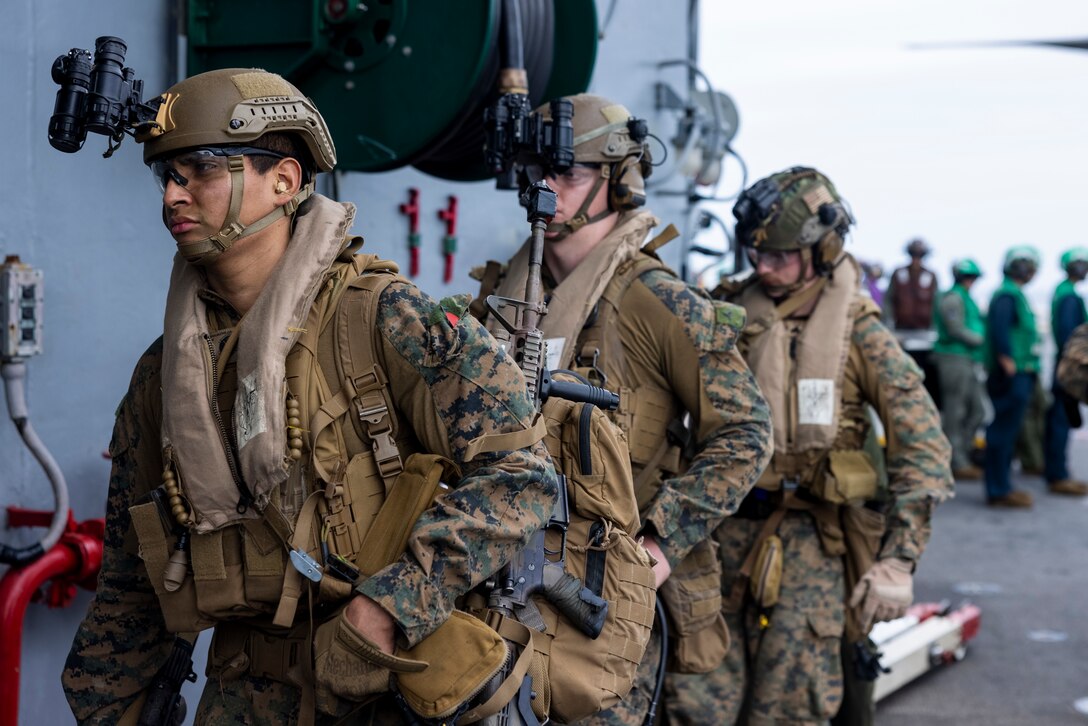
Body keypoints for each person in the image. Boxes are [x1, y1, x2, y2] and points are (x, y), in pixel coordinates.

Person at [61, 68, 559, 724]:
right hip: (242, 696)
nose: (174, 196)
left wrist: (391, 607)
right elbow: (131, 580)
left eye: (201, 171)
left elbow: (521, 477)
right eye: (167, 176)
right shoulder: (164, 376)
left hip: (385, 683)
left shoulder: (383, 319)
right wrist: (107, 709)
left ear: (284, 181)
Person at [472, 93, 773, 725]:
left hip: (602, 587)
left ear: (617, 182)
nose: (546, 188)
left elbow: (745, 433)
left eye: (569, 173)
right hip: (499, 581)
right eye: (536, 171)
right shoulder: (504, 300)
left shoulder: (652, 299)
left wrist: (658, 548)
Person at [667, 167, 952, 725]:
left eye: (779, 256)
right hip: (714, 538)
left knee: (791, 708)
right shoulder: (725, 313)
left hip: (813, 548)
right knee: (693, 701)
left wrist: (899, 557)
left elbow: (922, 445)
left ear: (822, 248)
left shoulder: (861, 333)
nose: (763, 268)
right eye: (756, 254)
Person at [983, 245, 1043, 508]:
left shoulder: (1013, 294)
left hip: (1018, 370)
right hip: (1012, 372)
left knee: (1007, 430)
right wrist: (1008, 363)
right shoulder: (1007, 295)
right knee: (1002, 430)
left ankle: (1002, 486)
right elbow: (1000, 331)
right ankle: (998, 489)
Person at [932, 259, 987, 481]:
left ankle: (962, 453)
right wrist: (979, 339)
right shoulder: (953, 298)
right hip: (953, 358)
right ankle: (954, 461)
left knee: (978, 411)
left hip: (967, 359)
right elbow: (955, 328)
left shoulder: (966, 297)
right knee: (955, 412)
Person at [1043, 247, 1088, 495]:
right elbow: (1071, 338)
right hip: (1069, 371)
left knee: (1058, 419)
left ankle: (1055, 470)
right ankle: (1058, 475)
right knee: (1062, 420)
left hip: (1062, 366)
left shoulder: (1063, 292)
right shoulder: (1069, 296)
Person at [882, 238, 941, 407]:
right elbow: (889, 301)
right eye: (914, 255)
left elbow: (936, 303)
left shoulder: (931, 276)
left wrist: (934, 329)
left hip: (924, 335)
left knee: (925, 373)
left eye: (920, 255)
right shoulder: (898, 274)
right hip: (902, 333)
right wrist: (889, 327)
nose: (916, 259)